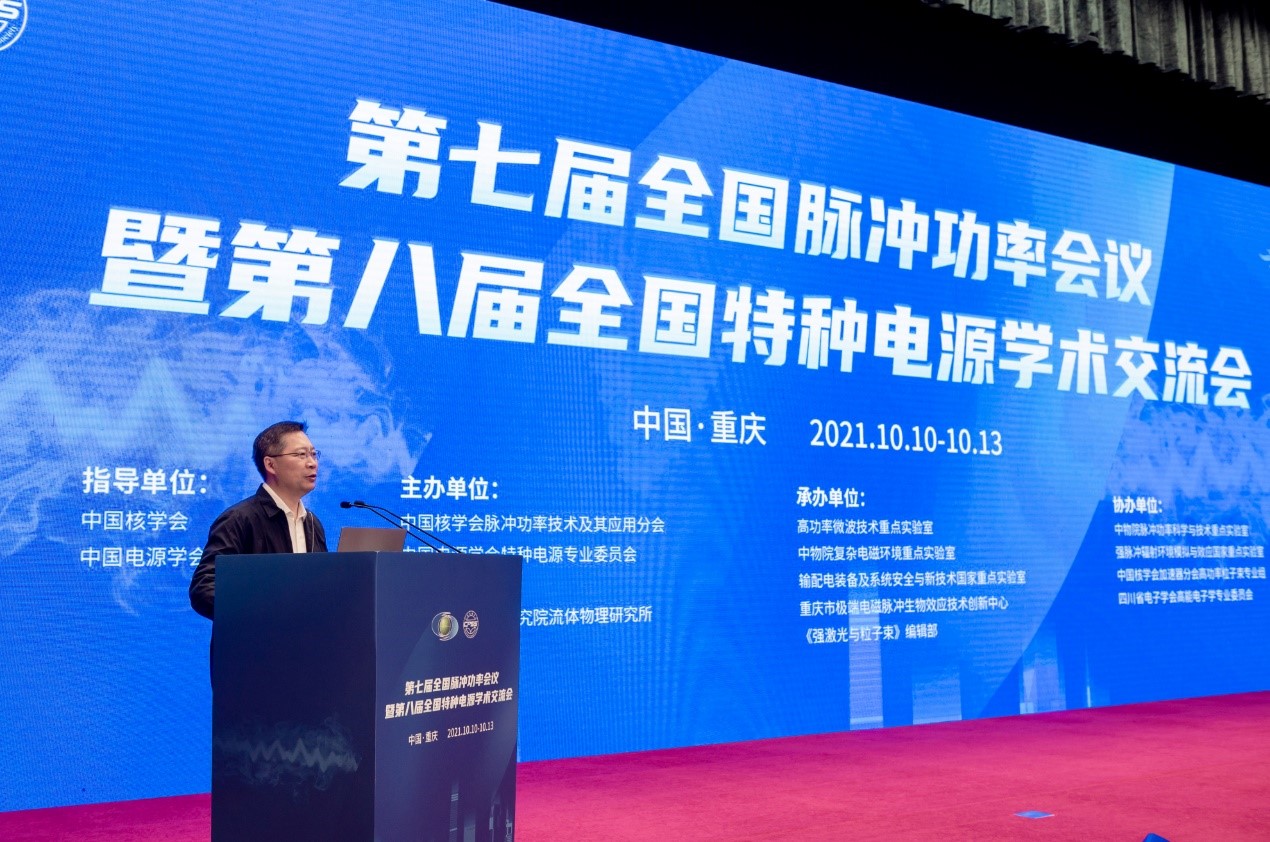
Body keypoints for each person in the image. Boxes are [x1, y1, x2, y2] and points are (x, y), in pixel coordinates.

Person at [189, 421, 328, 620]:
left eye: (314, 454)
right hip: (256, 638)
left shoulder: (312, 524)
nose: (312, 463)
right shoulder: (239, 519)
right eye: (300, 455)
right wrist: (260, 613)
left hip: (305, 637)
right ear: (270, 464)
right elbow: (204, 588)